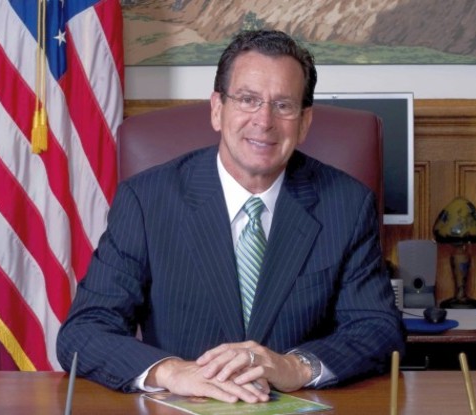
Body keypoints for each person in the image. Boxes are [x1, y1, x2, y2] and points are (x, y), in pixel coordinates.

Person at [56, 29, 404, 403]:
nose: (264, 121)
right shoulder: (147, 200)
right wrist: (172, 371)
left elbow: (378, 328)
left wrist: (297, 366)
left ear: (304, 123)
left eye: (283, 105)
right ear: (217, 110)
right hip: (183, 408)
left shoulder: (347, 205)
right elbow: (84, 331)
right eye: (248, 100)